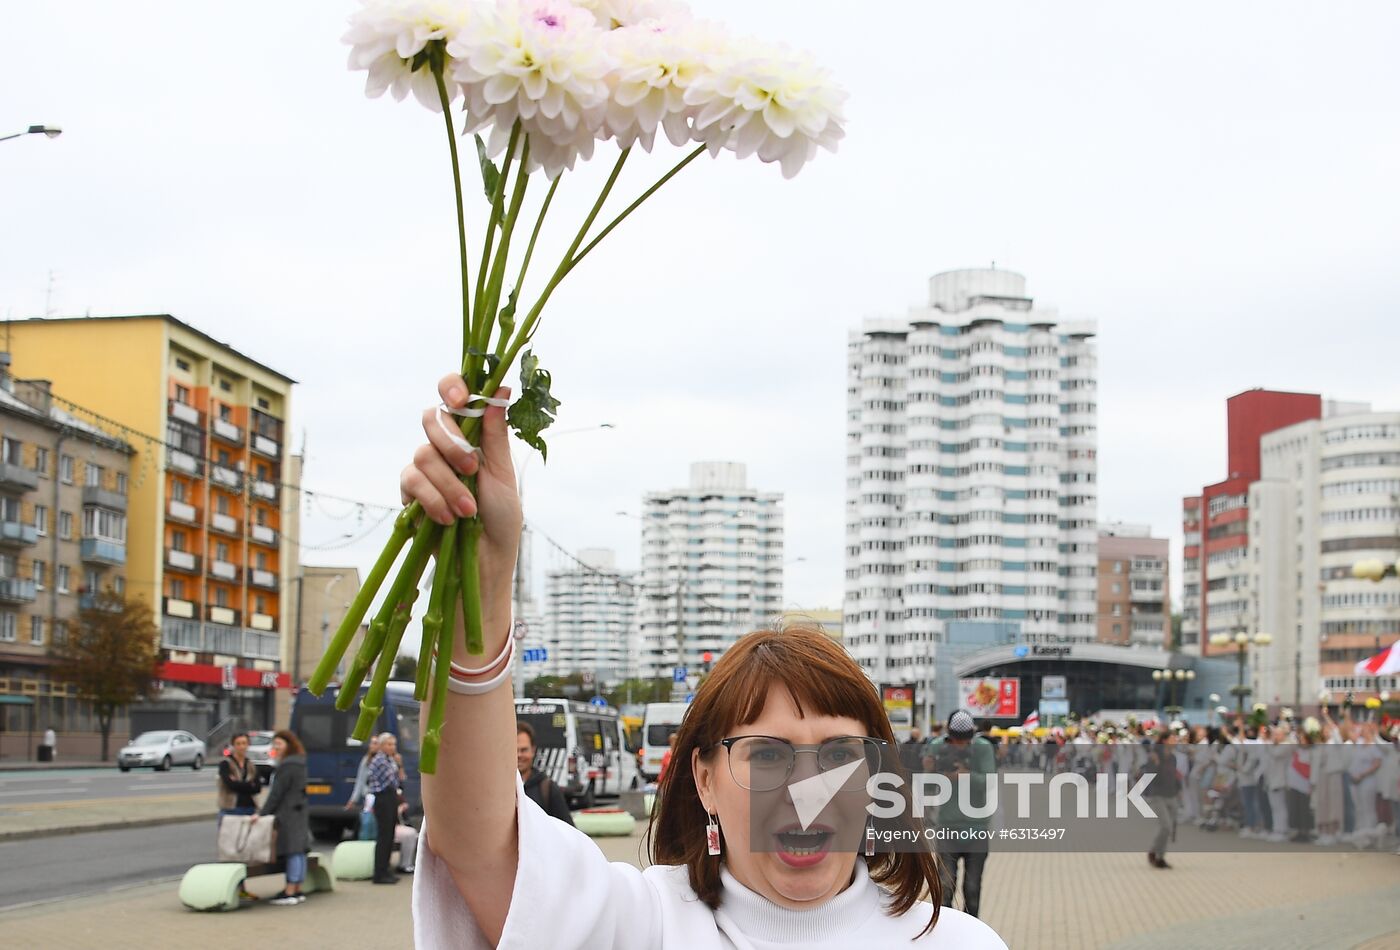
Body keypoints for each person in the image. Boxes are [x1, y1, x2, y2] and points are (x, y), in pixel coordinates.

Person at [403, 375, 1005, 948]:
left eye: (840, 754)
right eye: (766, 755)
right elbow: (478, 841)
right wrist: (480, 583)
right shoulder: (642, 926)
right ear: (705, 780)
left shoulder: (956, 942)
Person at [925, 710, 996, 918]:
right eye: (955, 740)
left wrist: (966, 776)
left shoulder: (982, 749)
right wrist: (930, 769)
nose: (959, 745)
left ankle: (971, 933)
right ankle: (946, 933)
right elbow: (924, 783)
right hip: (947, 827)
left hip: (977, 828)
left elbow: (989, 782)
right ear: (948, 733)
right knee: (945, 887)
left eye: (964, 741)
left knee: (972, 889)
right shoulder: (937, 746)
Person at [251, 730, 308, 906]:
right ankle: (297, 888)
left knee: (292, 851)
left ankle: (289, 890)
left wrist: (262, 813)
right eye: (274, 744)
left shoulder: (287, 765)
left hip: (288, 812)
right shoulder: (300, 762)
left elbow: (277, 793)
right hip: (299, 810)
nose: (276, 747)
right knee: (299, 851)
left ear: (288, 745)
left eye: (279, 744)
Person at [517, 721, 574, 825]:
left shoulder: (548, 789)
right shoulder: (499, 790)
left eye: (524, 750)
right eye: (515, 750)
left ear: (533, 750)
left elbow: (568, 830)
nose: (519, 755)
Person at [367, 732, 404, 883]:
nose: (392, 747)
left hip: (391, 797)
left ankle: (386, 870)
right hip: (383, 797)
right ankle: (380, 873)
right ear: (382, 746)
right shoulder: (381, 760)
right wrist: (398, 766)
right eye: (389, 744)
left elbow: (401, 778)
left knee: (390, 835)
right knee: (384, 836)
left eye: (394, 744)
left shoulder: (390, 759)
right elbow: (393, 781)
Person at [1143, 728, 1180, 868]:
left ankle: (1159, 856)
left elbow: (1173, 776)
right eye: (1172, 738)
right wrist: (1156, 764)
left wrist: (1178, 789)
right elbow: (1150, 776)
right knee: (1165, 826)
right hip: (1157, 794)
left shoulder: (1173, 757)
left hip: (1171, 794)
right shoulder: (1154, 756)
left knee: (1168, 828)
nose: (1175, 741)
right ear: (1164, 740)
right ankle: (1155, 853)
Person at [346, 735, 382, 841]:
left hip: (380, 797)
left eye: (375, 743)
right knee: (366, 823)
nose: (372, 746)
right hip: (368, 798)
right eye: (371, 743)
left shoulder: (383, 760)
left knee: (376, 825)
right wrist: (353, 799)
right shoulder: (366, 760)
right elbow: (360, 781)